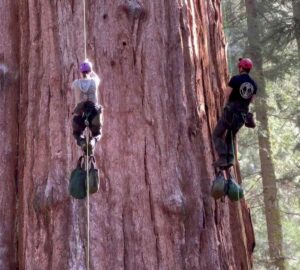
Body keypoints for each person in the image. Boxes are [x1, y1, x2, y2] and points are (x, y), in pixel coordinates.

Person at [213, 58, 257, 168]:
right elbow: (252, 100)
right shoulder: (254, 85)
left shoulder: (235, 79)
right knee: (230, 136)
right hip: (242, 116)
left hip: (231, 112)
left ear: (241, 67)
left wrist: (224, 106)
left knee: (217, 134)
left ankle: (223, 158)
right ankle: (231, 159)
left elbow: (226, 94)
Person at [72, 60, 103, 154]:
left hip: (80, 112)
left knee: (77, 133)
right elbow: (97, 77)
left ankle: (82, 143)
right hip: (93, 111)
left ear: (81, 72)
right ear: (90, 71)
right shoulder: (94, 81)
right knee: (97, 134)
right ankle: (92, 143)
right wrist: (91, 70)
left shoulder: (75, 83)